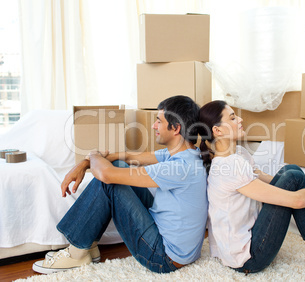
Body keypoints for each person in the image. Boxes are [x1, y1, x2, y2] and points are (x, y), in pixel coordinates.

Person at [33, 95, 208, 274]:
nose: (154, 126)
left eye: (158, 121)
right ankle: (88, 245)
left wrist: (92, 155)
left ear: (176, 128)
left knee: (110, 182)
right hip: (170, 240)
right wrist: (84, 163)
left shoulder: (179, 168)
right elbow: (128, 157)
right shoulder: (184, 154)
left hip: (163, 258)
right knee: (118, 166)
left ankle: (76, 252)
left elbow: (106, 175)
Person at [198, 100, 305, 277]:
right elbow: (297, 201)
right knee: (293, 176)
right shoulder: (228, 167)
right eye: (233, 118)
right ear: (217, 131)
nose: (240, 119)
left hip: (251, 237)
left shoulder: (239, 153)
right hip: (248, 259)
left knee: (290, 171)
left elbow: (270, 180)